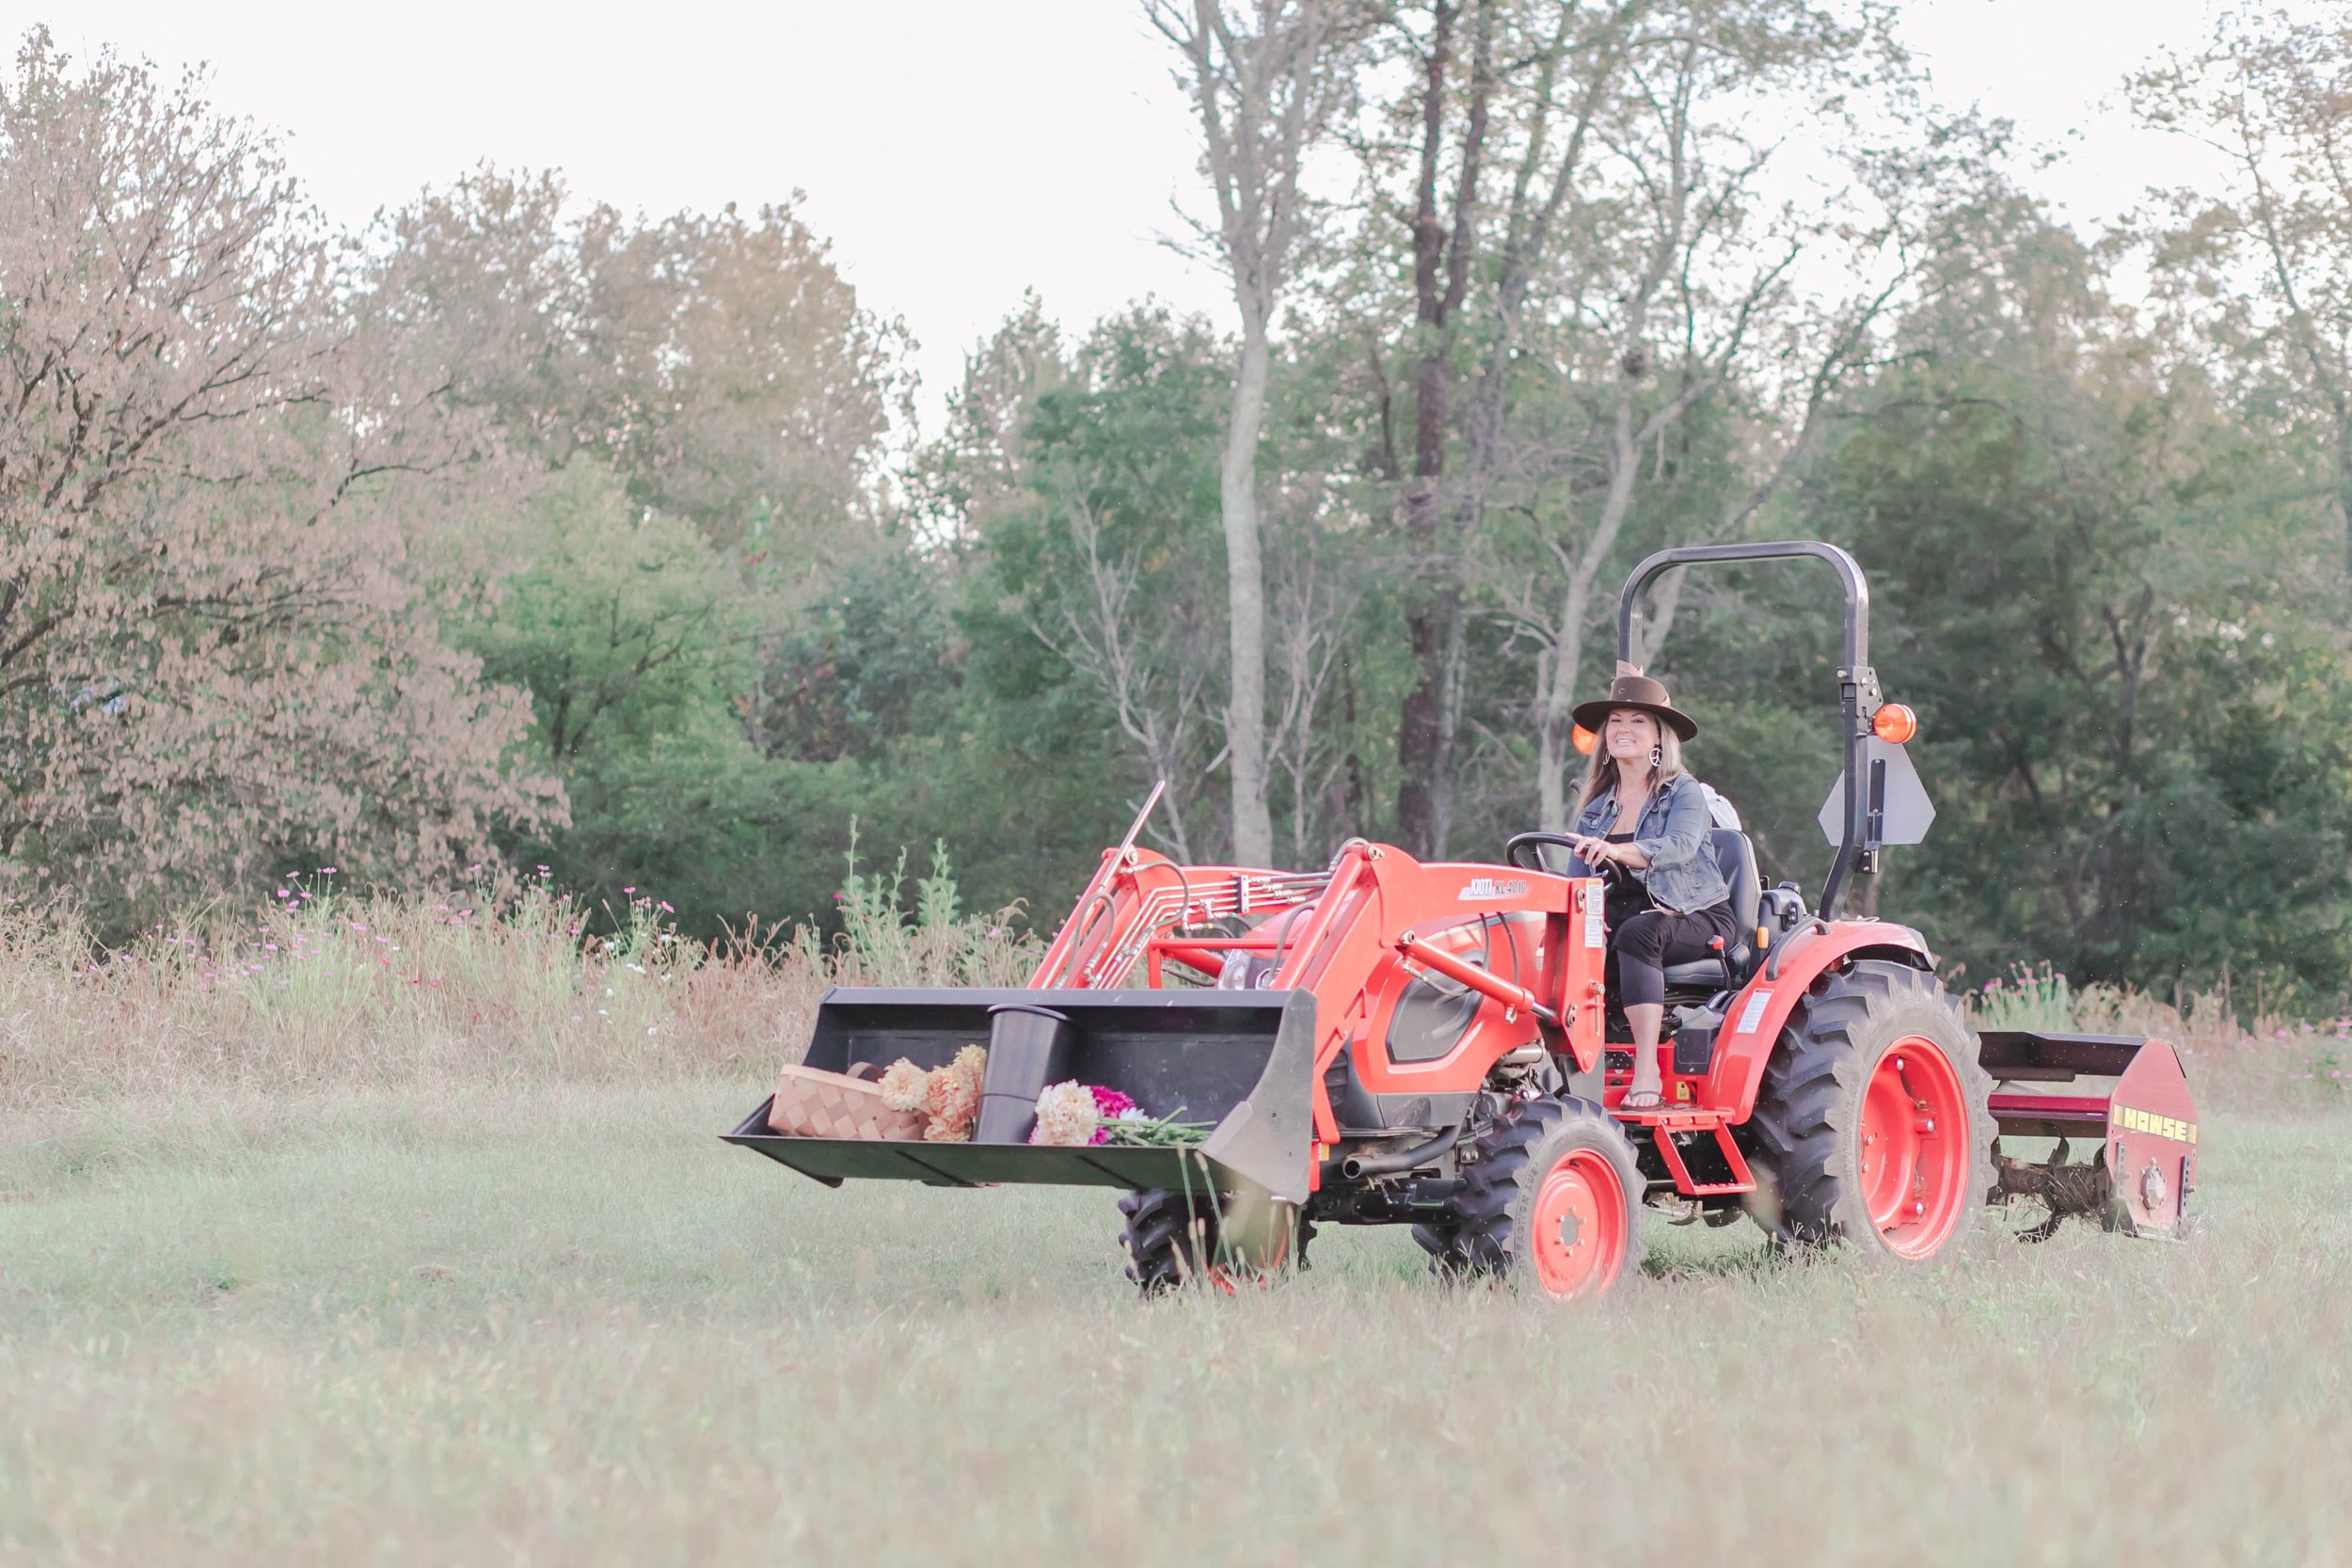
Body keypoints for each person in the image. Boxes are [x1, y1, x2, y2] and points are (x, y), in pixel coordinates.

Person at [1563, 670, 1737, 1111]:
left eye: (1638, 721)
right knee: (1554, 944)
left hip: (1690, 912)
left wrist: (1618, 853)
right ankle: (1555, 1069)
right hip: (1623, 916)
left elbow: (1678, 847)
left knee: (1637, 933)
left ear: (1660, 737)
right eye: (1616, 721)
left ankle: (1646, 1069)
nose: (1624, 728)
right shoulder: (1597, 806)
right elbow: (1576, 875)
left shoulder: (1683, 792)